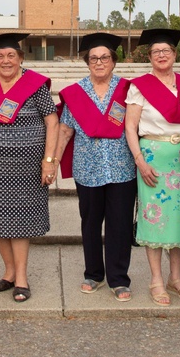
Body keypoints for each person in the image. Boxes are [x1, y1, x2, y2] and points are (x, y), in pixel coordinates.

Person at [0, 33, 58, 303]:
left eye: (11, 56)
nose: (6, 61)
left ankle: (21, 278)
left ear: (21, 59)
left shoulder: (35, 85)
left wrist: (49, 160)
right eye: (0, 56)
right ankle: (8, 271)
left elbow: (52, 122)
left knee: (21, 221)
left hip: (28, 166)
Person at [56, 32, 137, 301]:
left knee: (120, 224)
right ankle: (93, 274)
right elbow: (66, 131)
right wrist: (51, 162)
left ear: (114, 61)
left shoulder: (128, 90)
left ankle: (118, 277)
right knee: (90, 223)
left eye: (104, 57)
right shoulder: (76, 93)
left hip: (122, 168)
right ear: (87, 62)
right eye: (93, 58)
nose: (99, 62)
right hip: (87, 168)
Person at [123, 27, 180, 306]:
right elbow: (130, 127)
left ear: (175, 55)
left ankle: (175, 278)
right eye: (156, 52)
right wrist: (139, 161)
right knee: (154, 217)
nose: (161, 55)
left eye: (166, 51)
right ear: (150, 56)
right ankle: (156, 279)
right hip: (152, 156)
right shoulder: (140, 86)